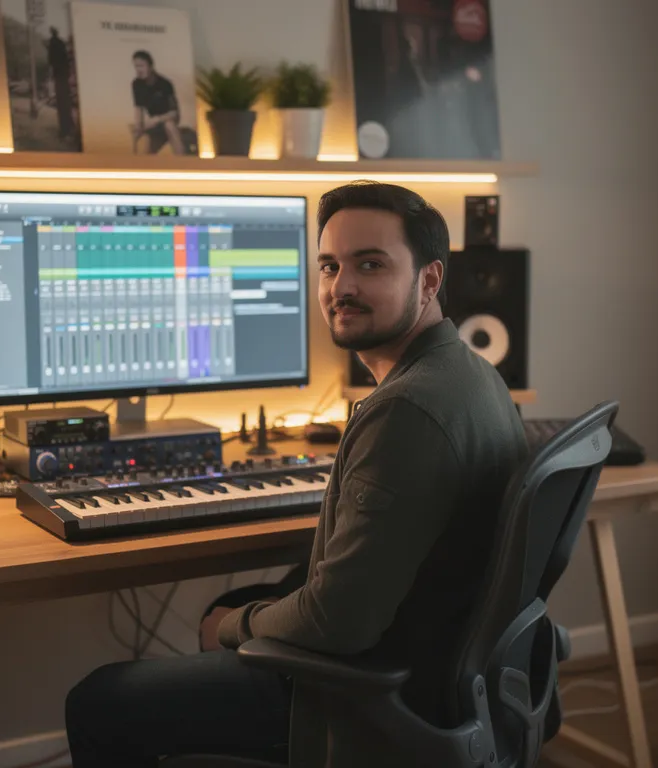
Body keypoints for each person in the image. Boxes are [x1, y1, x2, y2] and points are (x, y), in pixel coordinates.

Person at [64, 181, 528, 767]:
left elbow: (339, 623)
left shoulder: (406, 411)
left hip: (366, 694)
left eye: (370, 265)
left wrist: (235, 627)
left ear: (430, 280)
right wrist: (247, 614)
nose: (342, 287)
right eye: (329, 266)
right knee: (247, 597)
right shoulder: (471, 373)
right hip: (440, 663)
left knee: (101, 698)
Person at [129, 50, 186, 155]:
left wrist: (157, 119)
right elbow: (138, 108)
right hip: (153, 124)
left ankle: (182, 162)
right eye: (136, 66)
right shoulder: (136, 84)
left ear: (150, 66)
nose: (138, 70)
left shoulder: (165, 84)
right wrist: (138, 127)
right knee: (141, 143)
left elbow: (174, 113)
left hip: (167, 119)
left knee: (169, 125)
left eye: (141, 66)